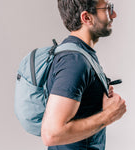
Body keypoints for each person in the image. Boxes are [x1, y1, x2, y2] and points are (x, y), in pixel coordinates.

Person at [41, 0, 127, 149]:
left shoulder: (81, 54)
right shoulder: (74, 61)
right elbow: (52, 134)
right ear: (87, 18)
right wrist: (109, 115)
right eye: (108, 8)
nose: (114, 14)